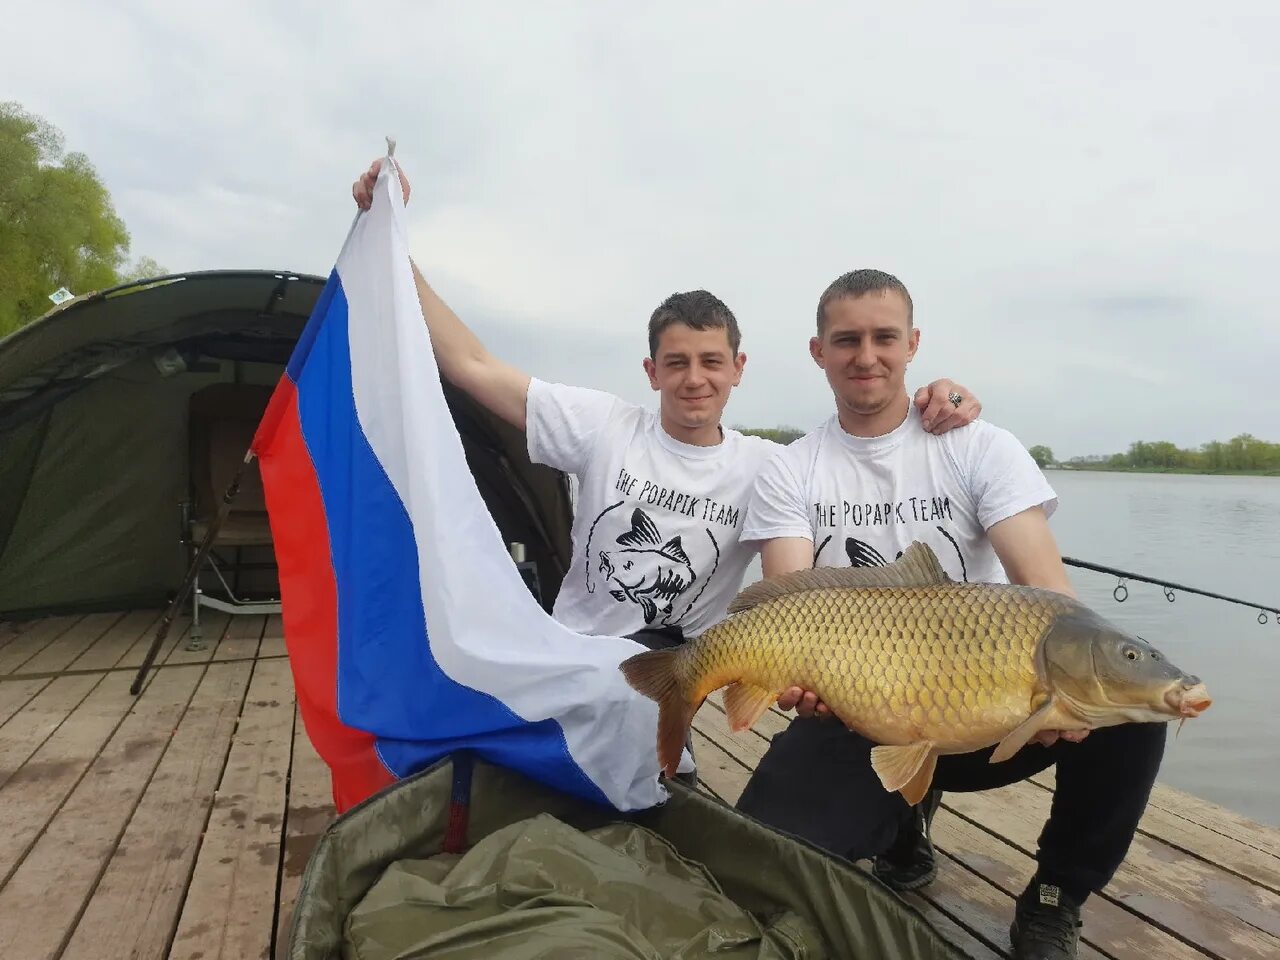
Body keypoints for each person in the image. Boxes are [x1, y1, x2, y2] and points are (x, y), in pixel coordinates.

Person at [351, 160, 982, 651]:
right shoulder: (603, 426)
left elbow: (865, 460)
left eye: (711, 362)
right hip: (565, 647)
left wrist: (941, 396)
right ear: (651, 371)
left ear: (738, 370)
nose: (694, 380)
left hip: (665, 670)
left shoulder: (773, 467)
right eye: (676, 363)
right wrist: (391, 242)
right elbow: (471, 365)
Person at [732, 268, 1167, 960]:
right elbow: (791, 595)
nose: (866, 356)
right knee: (760, 861)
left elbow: (1048, 588)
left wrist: (1066, 693)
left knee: (1128, 700)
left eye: (884, 337)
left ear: (913, 344)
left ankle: (1056, 897)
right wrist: (794, 678)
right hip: (860, 715)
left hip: (993, 713)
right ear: (819, 352)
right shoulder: (794, 468)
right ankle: (904, 823)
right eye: (847, 340)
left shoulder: (977, 443)